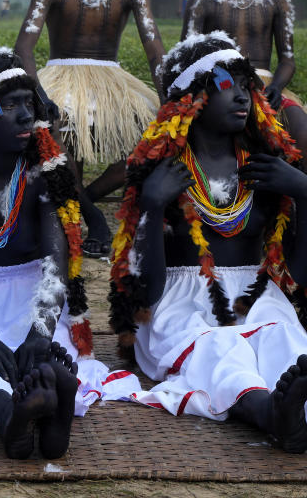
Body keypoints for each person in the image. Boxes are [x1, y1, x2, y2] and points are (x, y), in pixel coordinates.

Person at [0, 47, 134, 459]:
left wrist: (40, 330)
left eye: (28, 103)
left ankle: (53, 406)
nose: (24, 115)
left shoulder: (40, 178)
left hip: (34, 302)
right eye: (9, 104)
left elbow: (55, 267)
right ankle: (10, 418)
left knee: (46, 355)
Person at [110, 31, 307, 452]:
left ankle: (297, 409)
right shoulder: (163, 172)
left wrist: (304, 191)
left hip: (256, 298)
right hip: (180, 305)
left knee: (285, 341)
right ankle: (269, 412)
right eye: (224, 86)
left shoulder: (265, 167)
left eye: (245, 86)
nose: (241, 97)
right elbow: (146, 292)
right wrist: (151, 205)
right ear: (192, 99)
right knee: (219, 350)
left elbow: (300, 271)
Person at [13, 0, 165, 259]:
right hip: (61, 76)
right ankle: (94, 218)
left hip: (112, 80)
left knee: (158, 138)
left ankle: (82, 202)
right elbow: (24, 47)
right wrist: (39, 96)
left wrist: (169, 98)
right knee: (54, 128)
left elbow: (154, 47)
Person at [181, 0, 307, 154]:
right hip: (216, 87)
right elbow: (188, 59)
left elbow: (287, 60)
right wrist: (225, 84)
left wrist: (275, 88)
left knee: (301, 130)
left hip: (265, 88)